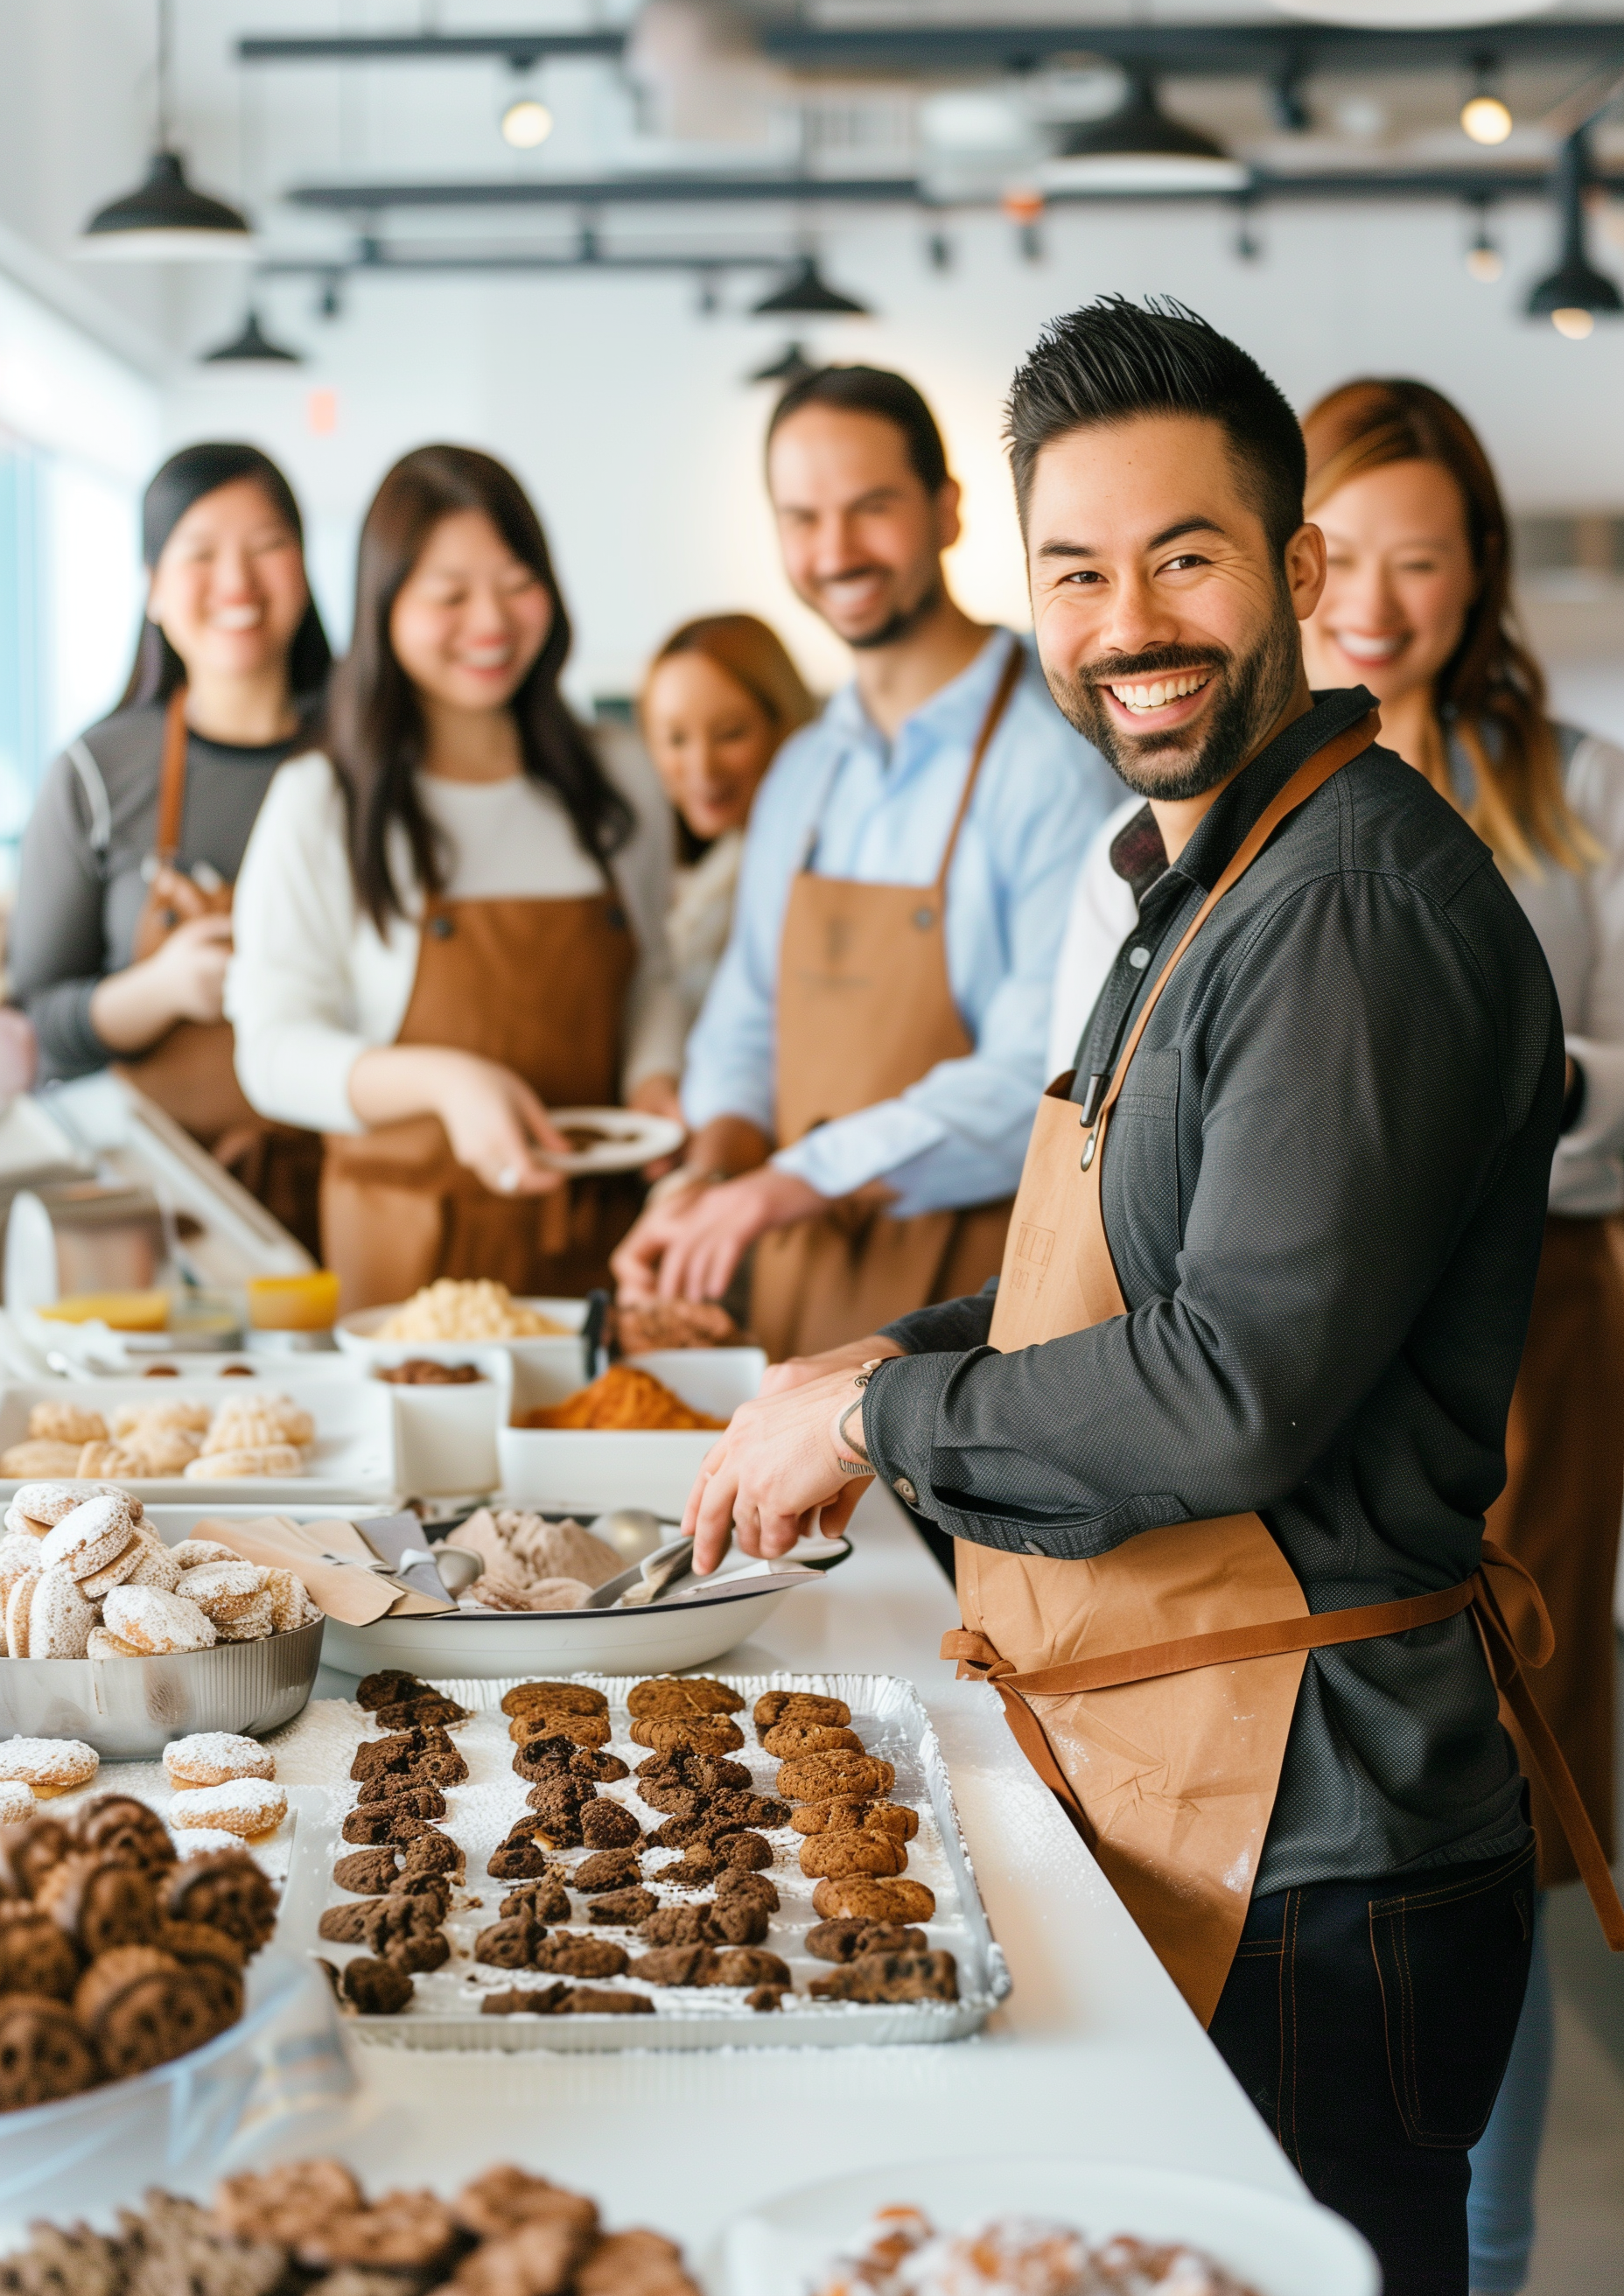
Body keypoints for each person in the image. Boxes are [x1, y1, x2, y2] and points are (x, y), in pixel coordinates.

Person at [676, 298, 1624, 2296]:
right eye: (1079, 571)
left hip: (1320, 1835)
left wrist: (873, 1419)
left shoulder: (1349, 903)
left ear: (1291, 571)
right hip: (1205, 1776)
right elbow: (1123, 1270)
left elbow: (1229, 1385)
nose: (1132, 620)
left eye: (1184, 556)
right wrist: (879, 1351)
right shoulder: (1207, 872)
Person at [1299, 376, 1624, 2296]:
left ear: (1476, 573)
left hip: (1543, 1344)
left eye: (1425, 559)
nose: (1380, 600)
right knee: (1332, 1779)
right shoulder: (1259, 781)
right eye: (1344, 551)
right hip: (1315, 1346)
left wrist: (1492, 1083)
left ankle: (1489, 2260)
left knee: (1505, 1781)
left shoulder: (1569, 783)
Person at [612, 365, 1124, 1372]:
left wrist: (781, 1181)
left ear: (945, 510)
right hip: (798, 1289)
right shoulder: (804, 768)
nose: (833, 550)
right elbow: (746, 1012)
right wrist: (705, 1171)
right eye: (801, 517)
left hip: (980, 1313)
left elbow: (1045, 1071)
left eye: (869, 508)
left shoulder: (1054, 754)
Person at [227, 444, 683, 1311]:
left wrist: (651, 1079)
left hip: (606, 1249)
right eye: (448, 595)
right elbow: (271, 1050)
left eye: (516, 584)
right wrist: (444, 1082)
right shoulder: (321, 799)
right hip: (406, 1264)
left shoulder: (618, 777)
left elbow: (651, 973)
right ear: (385, 606)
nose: (491, 622)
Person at [9, 443, 332, 1250]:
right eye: (199, 552)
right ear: (152, 588)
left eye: (266, 546)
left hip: (347, 1194)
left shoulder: (364, 761)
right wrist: (162, 988)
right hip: (161, 1220)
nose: (237, 581)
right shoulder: (96, 771)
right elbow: (38, 1021)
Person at [636, 612, 816, 1103]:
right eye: (675, 739)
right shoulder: (706, 873)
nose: (701, 768)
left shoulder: (810, 870)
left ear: (784, 724)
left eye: (731, 733)